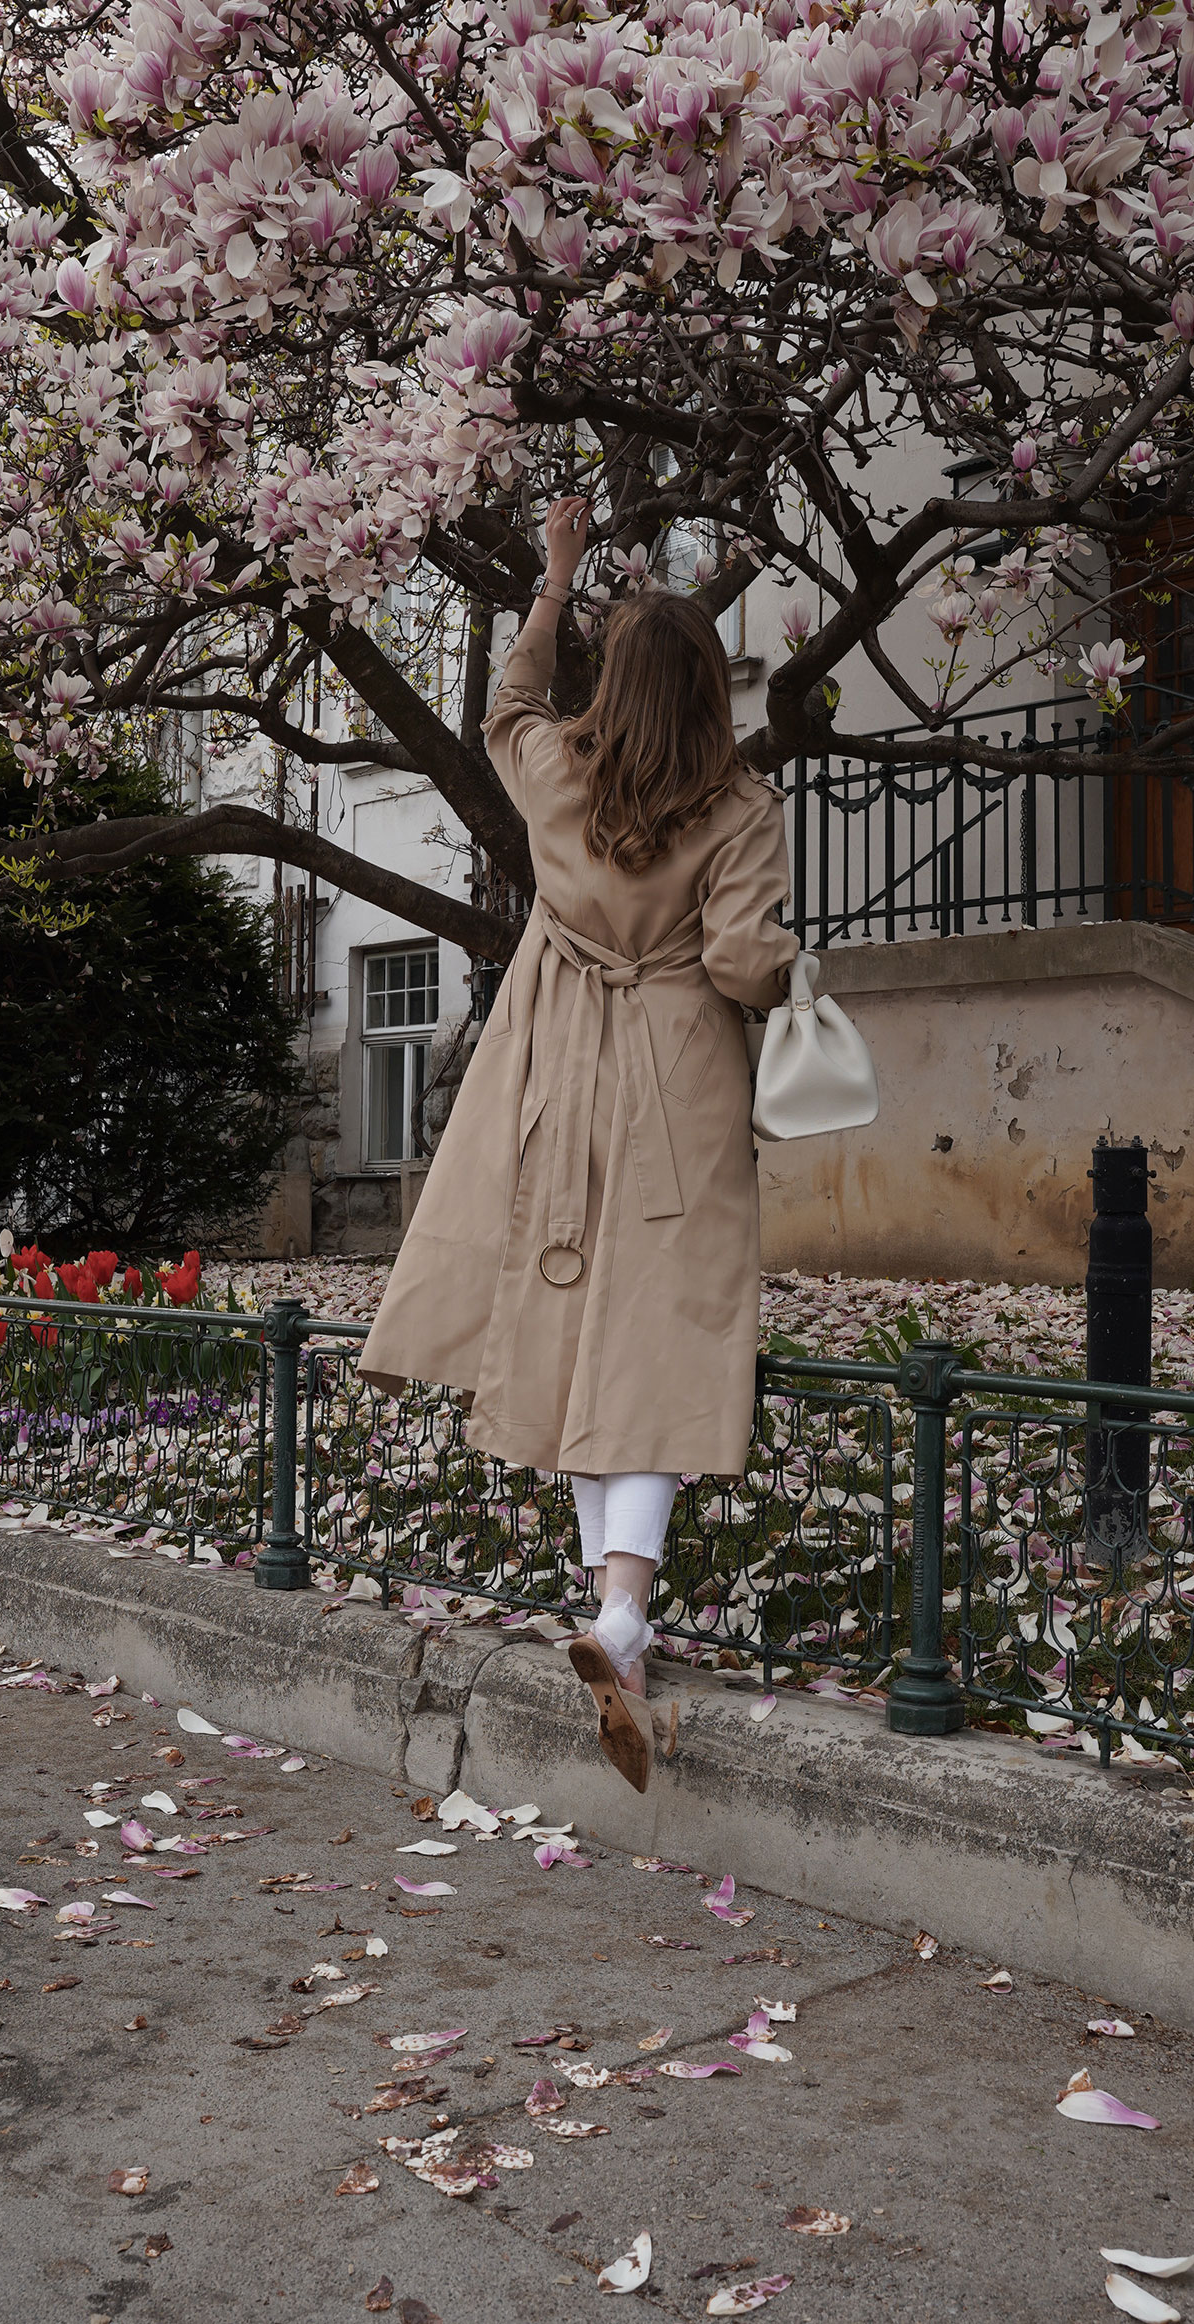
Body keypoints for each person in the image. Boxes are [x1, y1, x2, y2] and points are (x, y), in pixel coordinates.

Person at [360, 499, 798, 1792]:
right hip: (679, 1082)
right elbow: (740, 965)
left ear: (614, 681)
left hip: (562, 1073)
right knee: (657, 1333)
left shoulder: (556, 773)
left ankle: (611, 1616)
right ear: (711, 692)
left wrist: (551, 587)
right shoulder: (740, 808)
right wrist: (783, 969)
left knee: (563, 1320)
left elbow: (503, 707)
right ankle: (620, 1614)